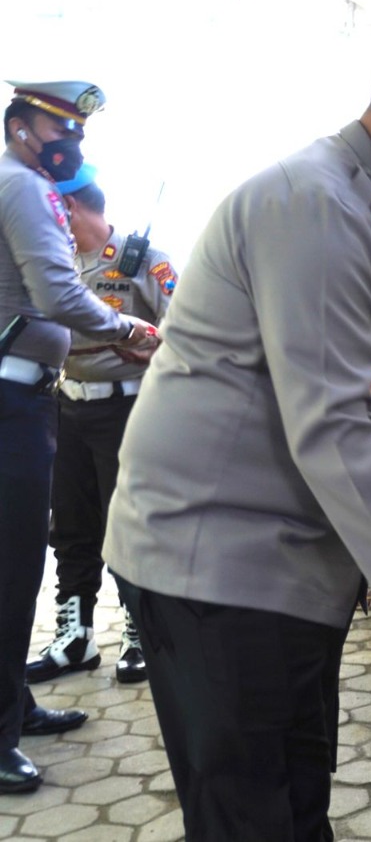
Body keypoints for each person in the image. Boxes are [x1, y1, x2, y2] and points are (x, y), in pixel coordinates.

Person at [101, 35, 371, 839]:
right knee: (252, 812)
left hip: (277, 564)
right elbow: (334, 427)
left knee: (295, 794)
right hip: (217, 567)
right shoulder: (316, 206)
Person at [0, 80, 155, 794]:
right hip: (16, 400)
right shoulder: (23, 186)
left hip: (32, 396)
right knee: (14, 565)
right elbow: (61, 296)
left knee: (24, 557)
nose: (73, 144)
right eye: (61, 129)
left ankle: (14, 707)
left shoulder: (22, 184)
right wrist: (129, 329)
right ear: (22, 127)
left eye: (79, 133)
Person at [24, 164, 174, 687]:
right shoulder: (50, 264)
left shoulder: (143, 261)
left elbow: (181, 335)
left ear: (68, 208)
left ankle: (140, 632)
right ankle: (76, 636)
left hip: (126, 413)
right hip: (66, 407)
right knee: (70, 527)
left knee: (130, 528)